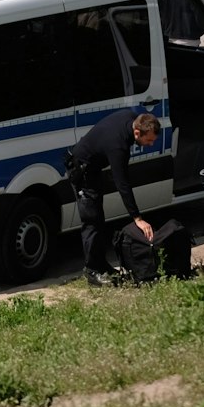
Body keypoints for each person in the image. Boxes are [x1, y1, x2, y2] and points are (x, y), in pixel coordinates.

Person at [65, 110, 160, 286]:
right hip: (81, 170)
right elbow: (122, 184)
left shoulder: (132, 118)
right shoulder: (118, 146)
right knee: (91, 221)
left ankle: (101, 264)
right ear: (137, 132)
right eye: (149, 140)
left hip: (92, 169)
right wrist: (137, 218)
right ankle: (92, 271)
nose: (151, 144)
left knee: (99, 219)